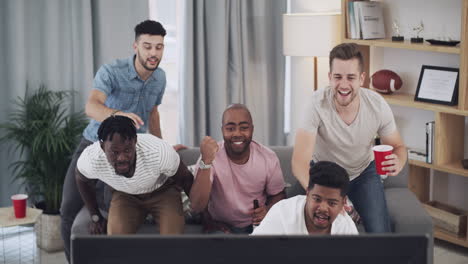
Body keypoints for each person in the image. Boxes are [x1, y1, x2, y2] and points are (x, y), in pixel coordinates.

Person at [60, 20, 185, 261]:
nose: (153, 53)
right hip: (94, 146)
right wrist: (118, 115)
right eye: (147, 46)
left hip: (129, 155)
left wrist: (163, 147)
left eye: (158, 47)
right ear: (135, 46)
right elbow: (91, 105)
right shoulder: (111, 72)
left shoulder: (159, 78)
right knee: (68, 210)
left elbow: (153, 114)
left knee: (110, 212)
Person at [291, 43, 407, 233]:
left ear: (361, 79)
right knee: (292, 222)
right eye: (337, 77)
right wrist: (323, 195)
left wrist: (399, 161)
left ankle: (353, 207)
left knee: (380, 232)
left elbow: (398, 147)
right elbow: (299, 163)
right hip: (324, 175)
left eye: (351, 77)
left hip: (363, 173)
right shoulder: (315, 104)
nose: (343, 85)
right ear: (329, 77)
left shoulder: (377, 105)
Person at [75, 116, 193, 235]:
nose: (121, 158)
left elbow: (186, 179)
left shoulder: (159, 151)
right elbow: (81, 179)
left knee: (173, 239)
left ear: (135, 141)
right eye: (114, 152)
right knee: (115, 239)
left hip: (163, 192)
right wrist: (95, 217)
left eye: (127, 150)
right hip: (125, 195)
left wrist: (203, 211)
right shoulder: (91, 158)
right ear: (102, 146)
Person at [189, 104, 286, 234]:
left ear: (252, 129)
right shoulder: (210, 156)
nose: (237, 134)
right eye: (230, 128)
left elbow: (279, 195)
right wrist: (206, 162)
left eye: (244, 128)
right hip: (220, 226)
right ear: (222, 130)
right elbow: (196, 205)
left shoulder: (268, 157)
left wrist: (268, 210)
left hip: (257, 225)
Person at [252, 161, 358, 235]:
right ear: (307, 194)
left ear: (342, 203)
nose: (323, 208)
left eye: (332, 203)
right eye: (317, 199)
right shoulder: (282, 213)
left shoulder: (345, 226)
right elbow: (253, 251)